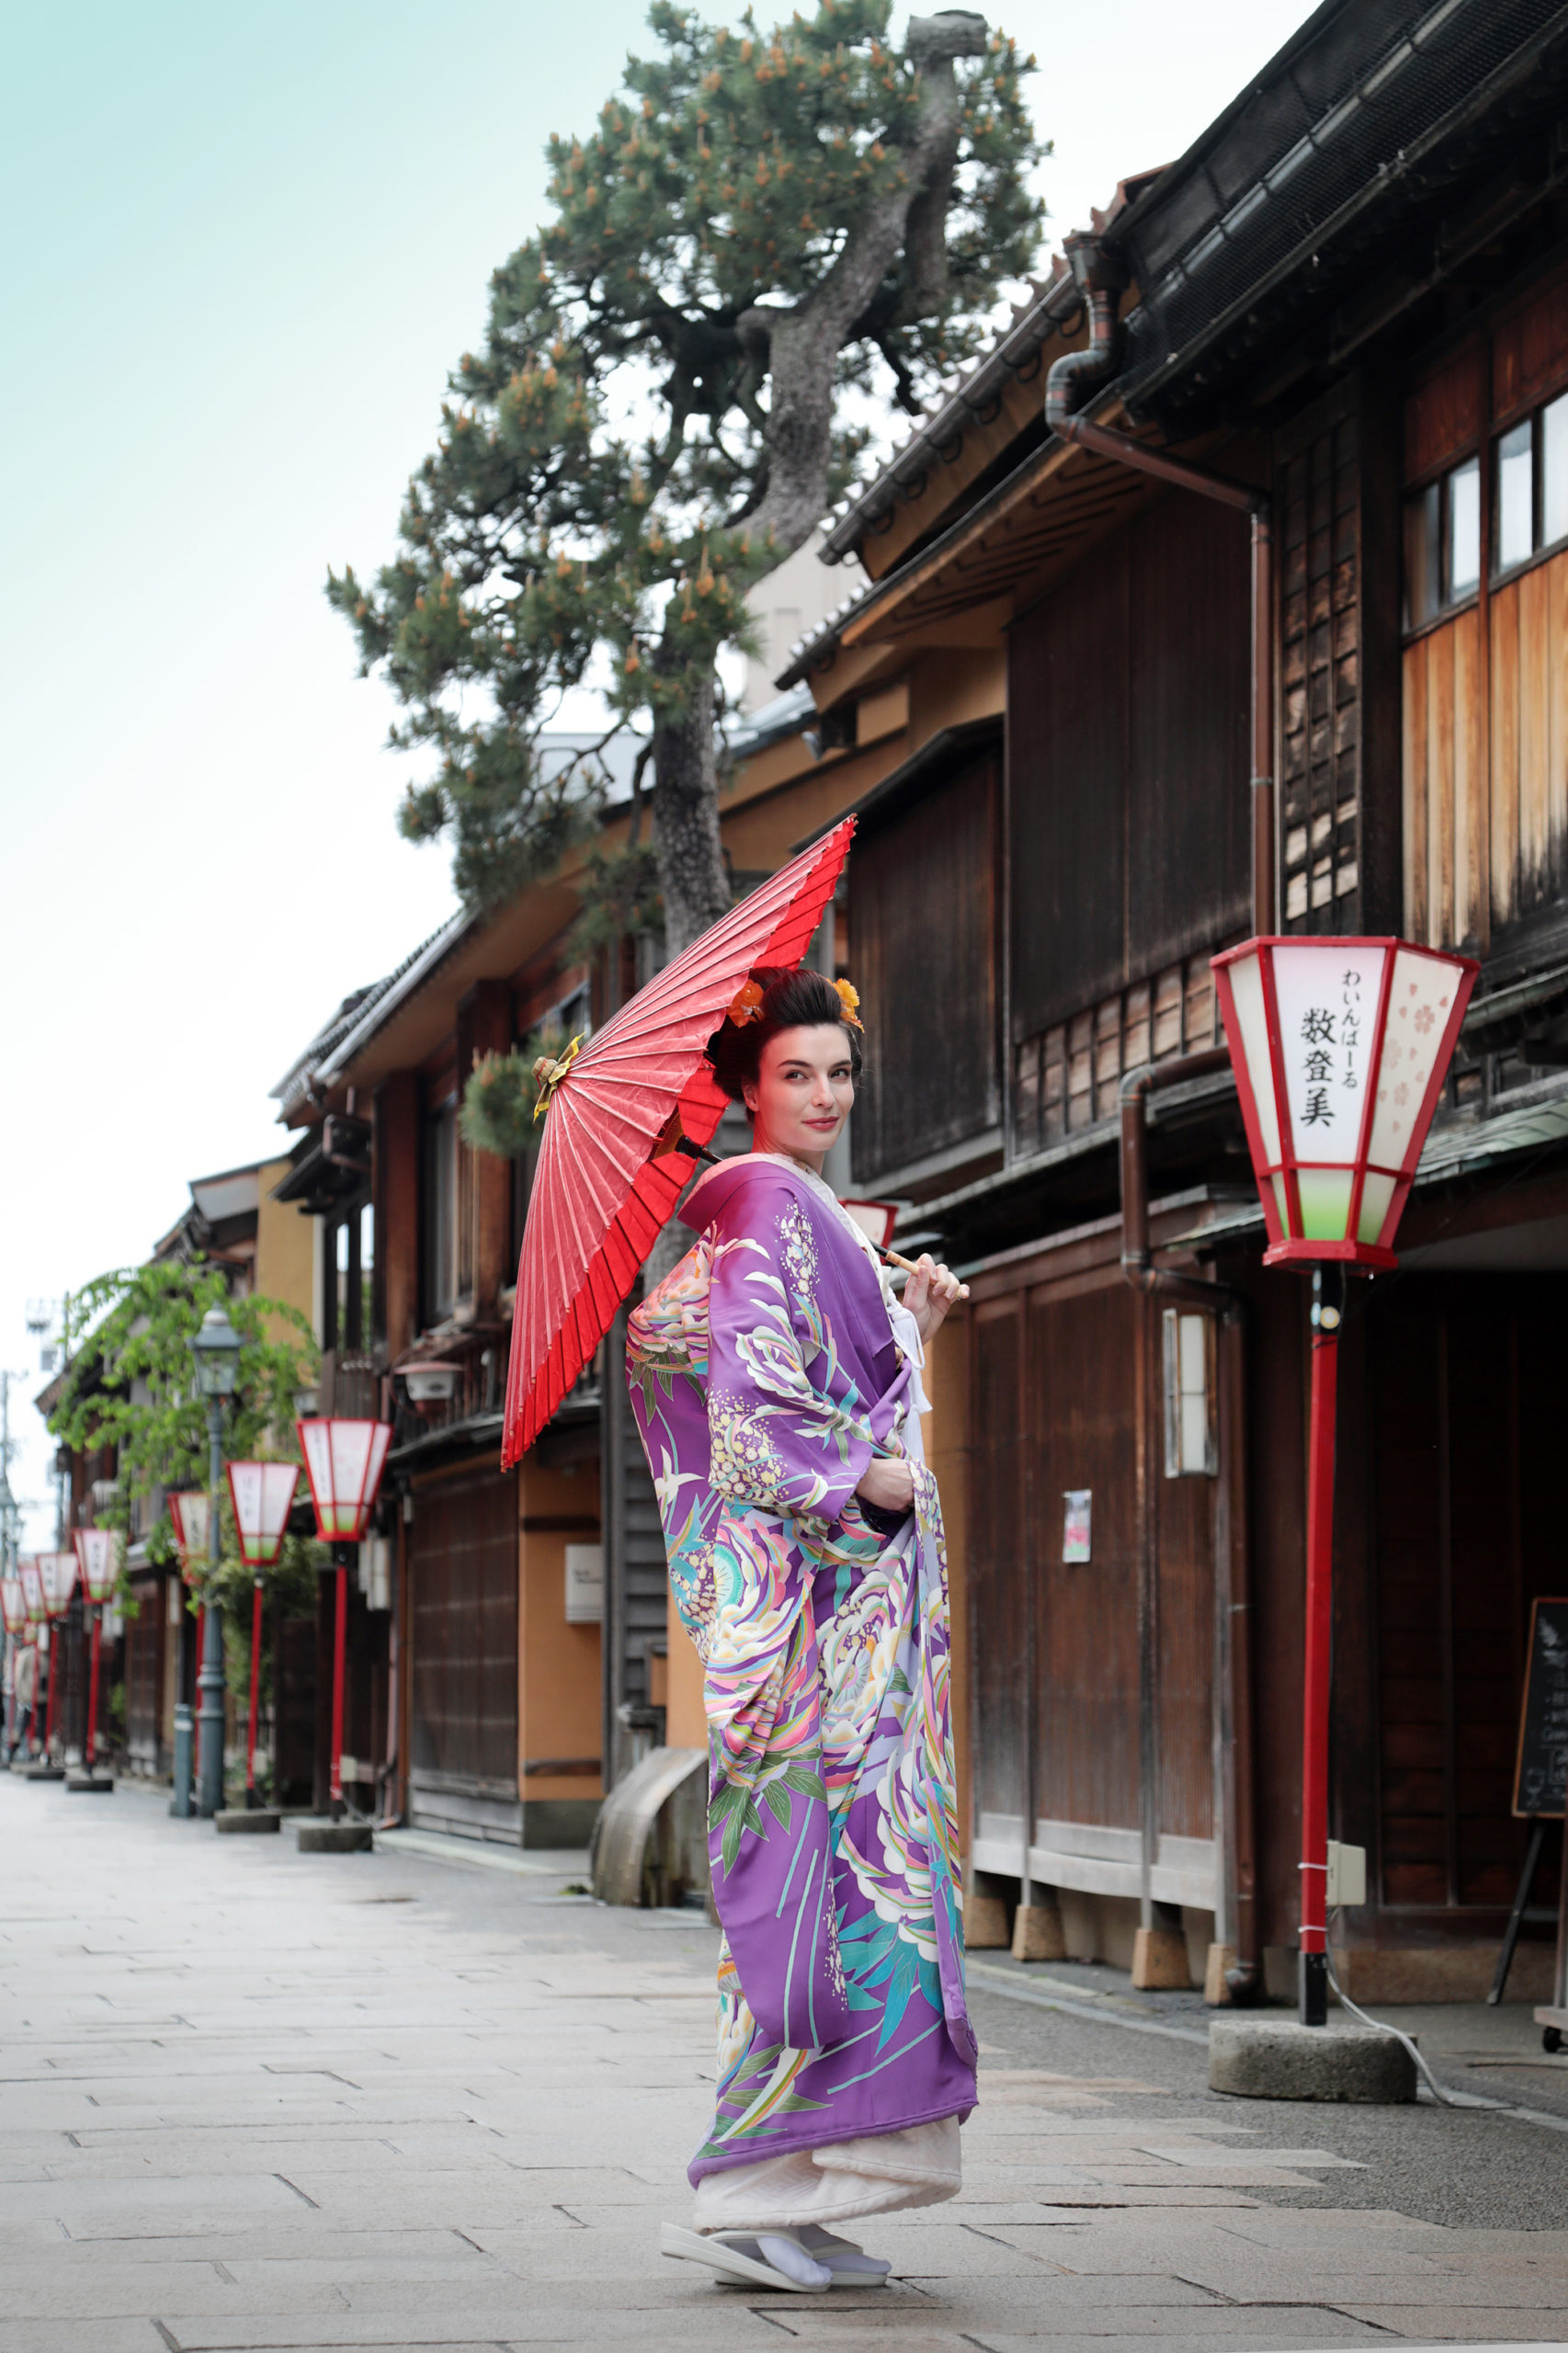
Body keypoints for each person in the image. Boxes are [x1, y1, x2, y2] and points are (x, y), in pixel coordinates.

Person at [627, 964, 975, 2296]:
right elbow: (751, 1418)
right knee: (810, 1902)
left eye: (838, 1072)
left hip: (827, 1618)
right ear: (748, 1090)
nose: (824, 1095)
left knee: (834, 1895)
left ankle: (807, 2192)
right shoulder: (766, 1204)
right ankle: (747, 2192)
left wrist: (908, 1328)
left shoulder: (781, 1213)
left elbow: (827, 1398)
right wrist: (855, 1474)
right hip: (810, 1635)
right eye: (795, 1075)